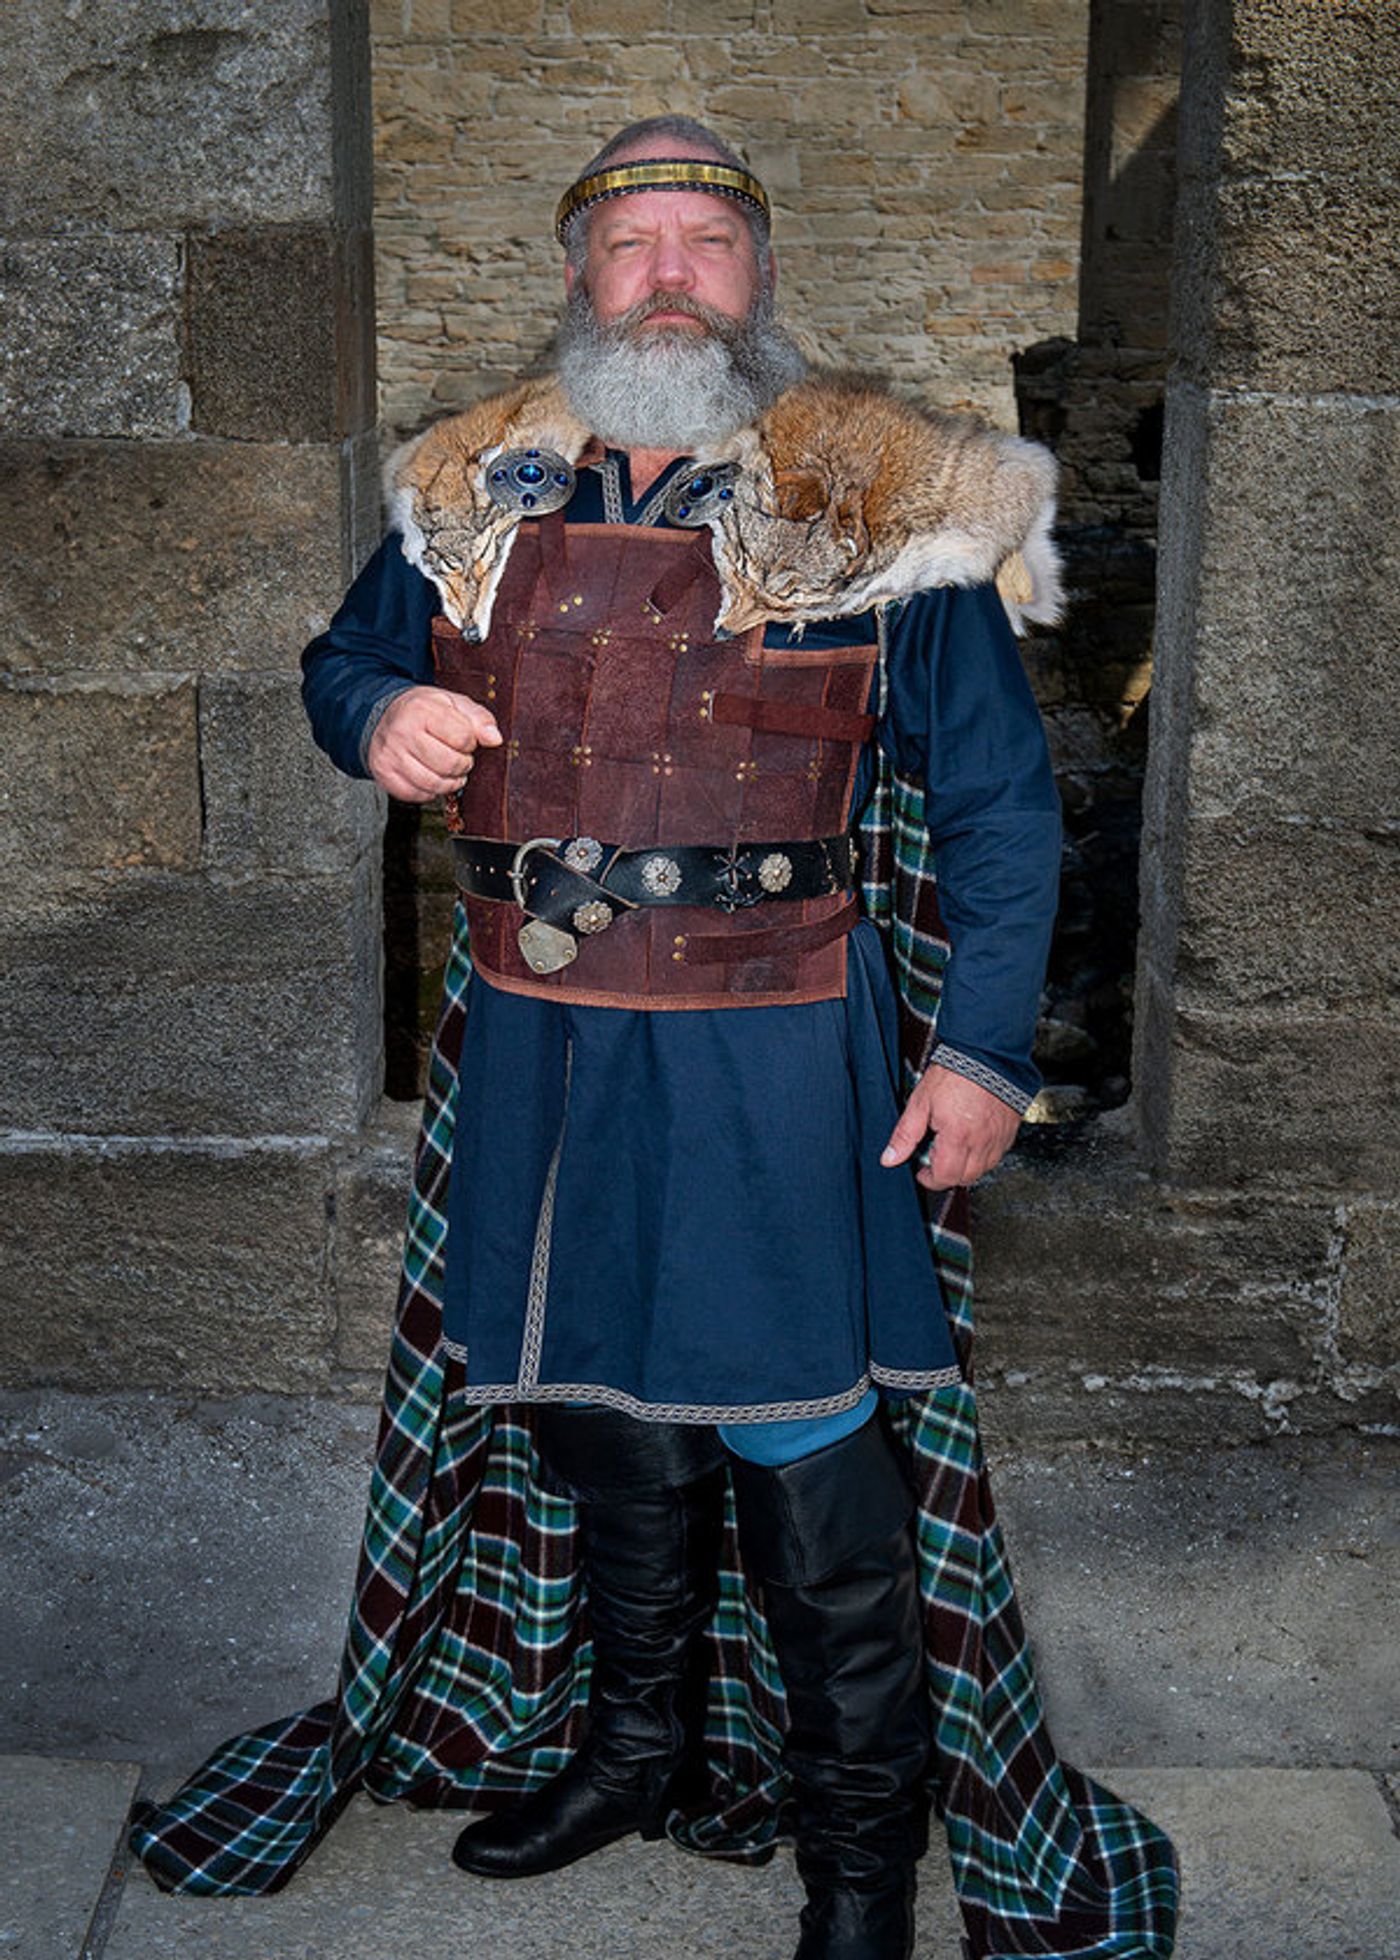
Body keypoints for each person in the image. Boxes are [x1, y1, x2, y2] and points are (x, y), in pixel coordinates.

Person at [132, 117, 1178, 1960]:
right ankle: (631, 1746)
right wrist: (376, 709)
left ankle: (858, 1871)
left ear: (759, 278)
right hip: (537, 1038)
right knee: (593, 1393)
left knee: (802, 1433)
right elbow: (336, 659)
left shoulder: (890, 497)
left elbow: (1005, 806)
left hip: (778, 1050)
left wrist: (984, 1057)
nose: (673, 273)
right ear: (578, 274)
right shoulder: (467, 492)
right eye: (637, 242)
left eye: (710, 239)